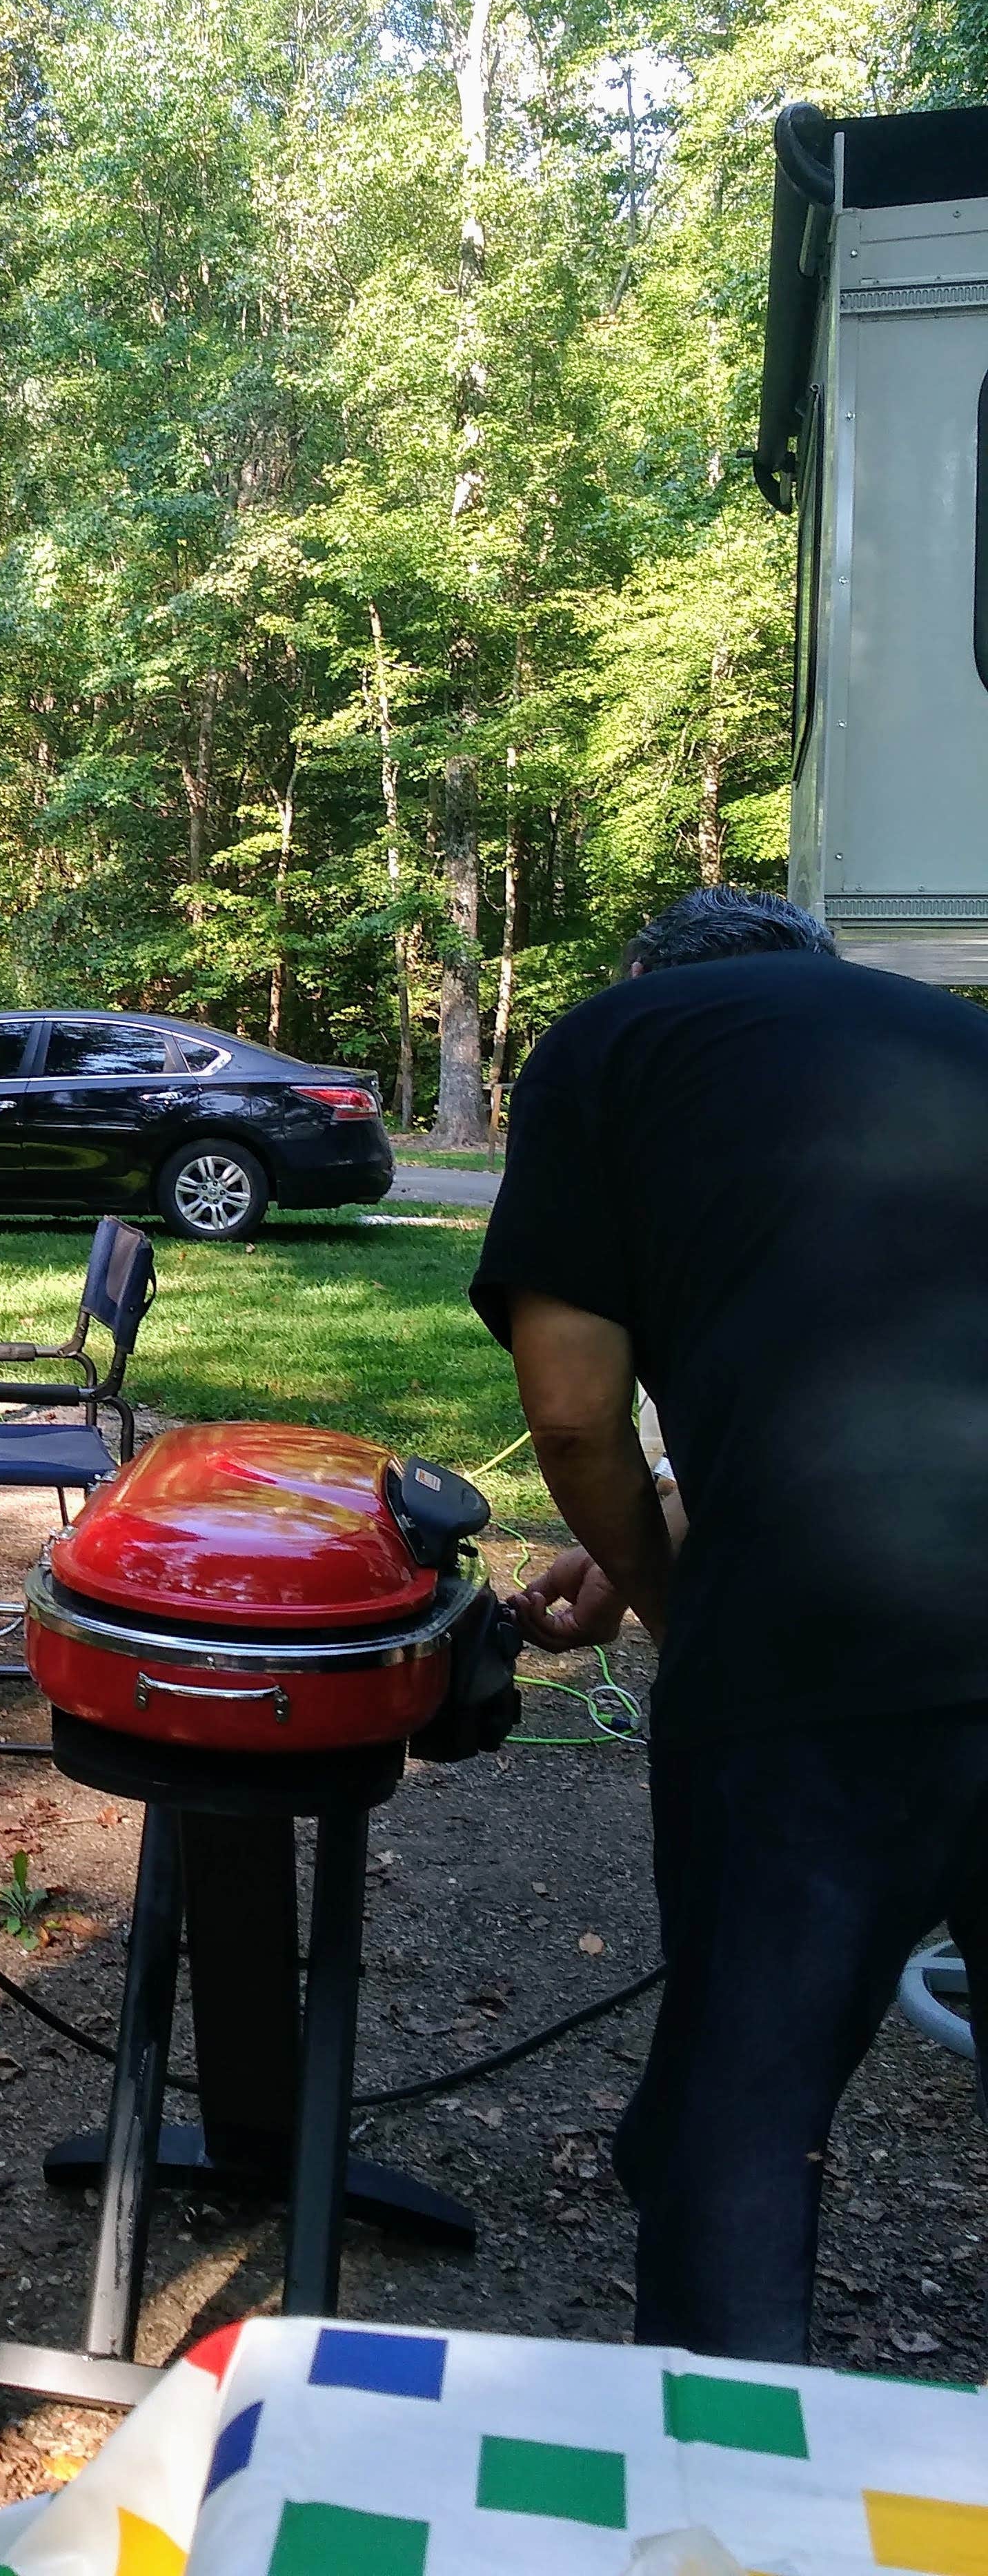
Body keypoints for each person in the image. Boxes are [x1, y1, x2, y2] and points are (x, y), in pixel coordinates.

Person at [470, 885, 988, 2363]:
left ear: (651, 976)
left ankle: (723, 2460)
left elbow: (576, 1416)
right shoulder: (948, 1039)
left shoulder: (613, 1042)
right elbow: (871, 1362)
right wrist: (664, 1530)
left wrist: (669, 1597)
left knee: (741, 2119)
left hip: (829, 1635)